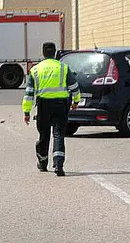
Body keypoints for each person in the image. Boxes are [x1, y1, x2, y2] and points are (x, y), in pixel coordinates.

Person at [22, 42, 81, 176]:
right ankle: (58, 164)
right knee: (59, 134)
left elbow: (29, 93)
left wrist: (26, 112)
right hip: (61, 105)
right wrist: (76, 101)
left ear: (43, 53)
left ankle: (43, 162)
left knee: (44, 134)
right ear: (55, 53)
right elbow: (75, 87)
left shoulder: (35, 70)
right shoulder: (63, 68)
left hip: (44, 105)